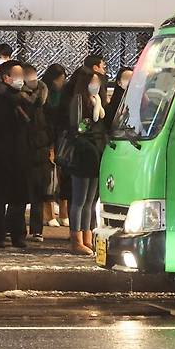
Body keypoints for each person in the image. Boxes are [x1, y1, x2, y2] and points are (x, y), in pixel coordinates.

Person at [0, 60, 33, 248]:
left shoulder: (25, 99)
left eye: (22, 75)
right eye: (16, 75)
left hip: (20, 155)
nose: (21, 79)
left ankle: (18, 234)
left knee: (19, 199)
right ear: (6, 77)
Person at [68, 71, 107, 255]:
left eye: (97, 82)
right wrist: (88, 142)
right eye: (92, 82)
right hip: (83, 155)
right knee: (79, 200)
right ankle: (76, 239)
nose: (95, 85)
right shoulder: (79, 100)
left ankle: (87, 236)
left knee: (91, 200)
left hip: (96, 154)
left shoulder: (97, 101)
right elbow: (77, 129)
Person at [20, 64, 52, 242]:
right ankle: (18, 229)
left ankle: (36, 229)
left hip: (40, 152)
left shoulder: (43, 99)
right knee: (23, 195)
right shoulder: (20, 99)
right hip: (27, 152)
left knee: (37, 195)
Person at [41, 63, 69, 227]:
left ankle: (64, 213)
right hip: (48, 139)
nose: (61, 83)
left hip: (62, 138)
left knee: (63, 178)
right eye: (59, 79)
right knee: (49, 179)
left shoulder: (65, 94)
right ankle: (49, 214)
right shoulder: (44, 94)